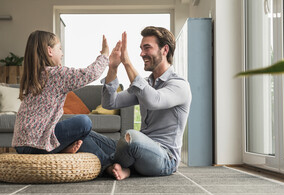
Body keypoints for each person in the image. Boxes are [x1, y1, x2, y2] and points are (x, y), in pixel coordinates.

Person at [12, 30, 113, 173]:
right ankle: (111, 163)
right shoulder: (55, 74)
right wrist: (104, 55)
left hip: (21, 146)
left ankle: (109, 165)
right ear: (49, 51)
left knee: (81, 136)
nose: (62, 53)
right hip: (39, 144)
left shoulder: (33, 77)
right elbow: (90, 74)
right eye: (60, 49)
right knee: (84, 122)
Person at [102, 26, 192, 180]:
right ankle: (121, 166)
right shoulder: (145, 83)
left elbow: (153, 100)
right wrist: (113, 68)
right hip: (138, 151)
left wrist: (127, 63)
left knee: (132, 138)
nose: (142, 53)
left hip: (164, 158)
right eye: (141, 48)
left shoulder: (180, 85)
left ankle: (108, 164)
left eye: (147, 48)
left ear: (164, 50)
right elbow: (110, 103)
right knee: (85, 131)